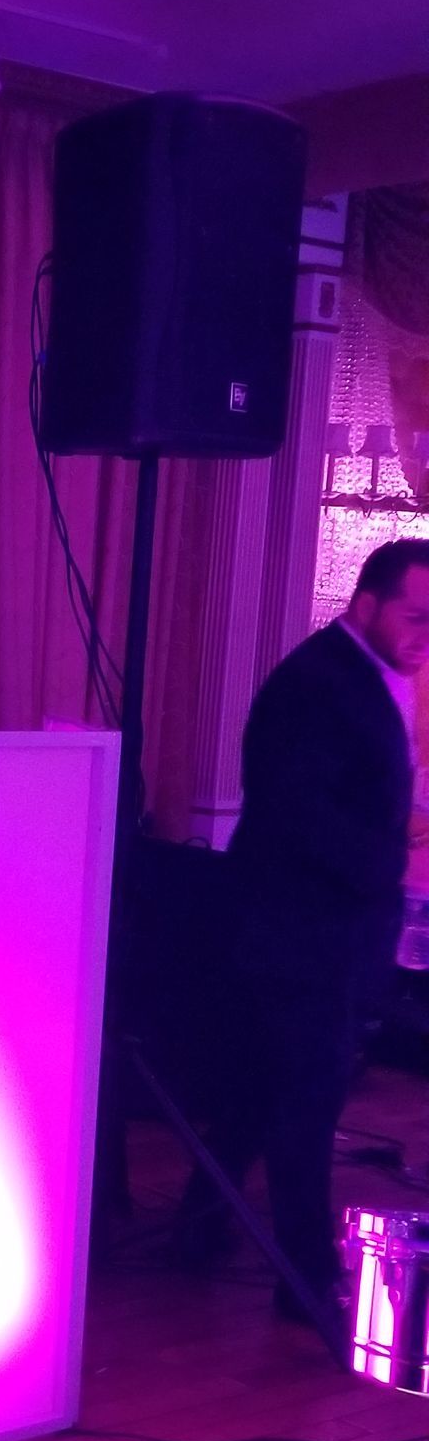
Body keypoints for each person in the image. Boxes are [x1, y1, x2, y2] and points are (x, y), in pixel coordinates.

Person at [187, 539, 429, 1346]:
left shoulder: (360, 673)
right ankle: (306, 1281)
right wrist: (393, 850)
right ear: (366, 604)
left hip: (314, 931)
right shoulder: (319, 684)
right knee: (306, 1105)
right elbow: (301, 816)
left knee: (261, 1091)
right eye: (417, 615)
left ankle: (199, 1228)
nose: (428, 633)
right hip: (302, 934)